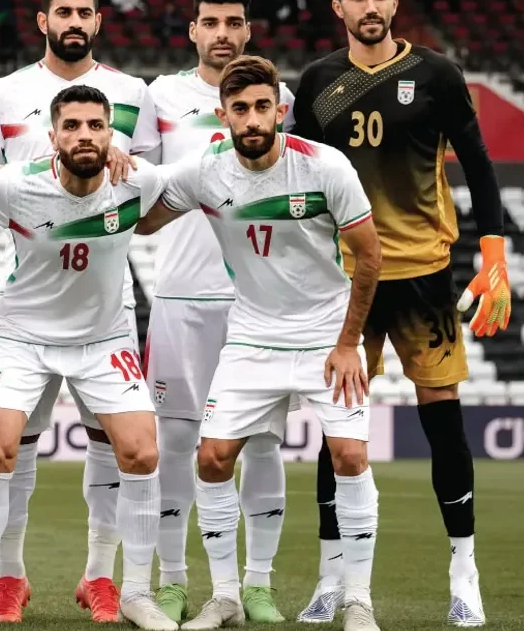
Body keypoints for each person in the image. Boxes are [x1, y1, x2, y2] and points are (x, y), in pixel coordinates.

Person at [292, 0, 506, 627]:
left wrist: (494, 253)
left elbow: (478, 163)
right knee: (337, 430)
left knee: (443, 419)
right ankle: (330, 577)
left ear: (394, 1)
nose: (371, 7)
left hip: (424, 273)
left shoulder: (437, 74)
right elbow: (297, 181)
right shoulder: (317, 82)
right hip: (346, 278)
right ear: (339, 7)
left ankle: (465, 573)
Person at [137, 55, 384, 631]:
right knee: (212, 458)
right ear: (223, 114)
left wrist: (349, 344)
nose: (252, 119)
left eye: (262, 107)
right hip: (251, 337)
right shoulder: (205, 171)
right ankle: (225, 596)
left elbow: (370, 256)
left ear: (280, 110)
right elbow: (144, 220)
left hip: (326, 337)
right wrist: (119, 168)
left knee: (350, 456)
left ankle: (358, 600)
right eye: (240, 108)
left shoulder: (325, 166)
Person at [0, 0, 160, 624]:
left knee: (115, 446)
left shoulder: (132, 92)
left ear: (98, 21)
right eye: (63, 12)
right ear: (43, 20)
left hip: (107, 304)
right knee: (12, 448)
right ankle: (7, 578)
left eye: (84, 12)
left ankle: (102, 576)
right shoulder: (4, 94)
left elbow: (150, 187)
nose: (74, 22)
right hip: (31, 300)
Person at [142, 0, 293, 625]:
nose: (223, 33)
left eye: (234, 22)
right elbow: (139, 183)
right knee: (176, 444)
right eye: (211, 22)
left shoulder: (277, 99)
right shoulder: (160, 96)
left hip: (255, 303)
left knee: (260, 444)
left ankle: (256, 584)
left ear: (249, 30)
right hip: (180, 296)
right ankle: (173, 581)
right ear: (193, 31)